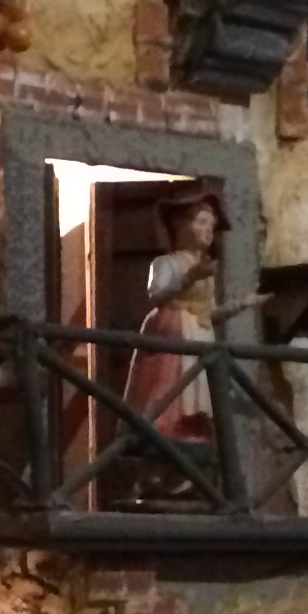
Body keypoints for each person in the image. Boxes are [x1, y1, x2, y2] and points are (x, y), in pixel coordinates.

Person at [125, 183, 241, 454]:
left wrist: (240, 305)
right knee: (169, 389)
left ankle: (193, 434)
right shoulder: (166, 263)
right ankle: (164, 431)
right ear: (181, 226)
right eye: (201, 222)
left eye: (211, 225)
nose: (208, 230)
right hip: (173, 329)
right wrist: (189, 278)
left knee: (199, 393)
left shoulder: (205, 270)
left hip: (200, 334)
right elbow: (157, 294)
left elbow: (210, 312)